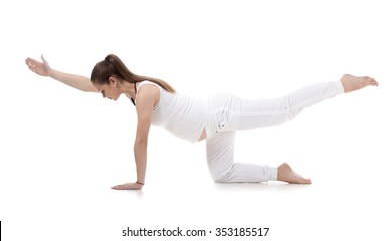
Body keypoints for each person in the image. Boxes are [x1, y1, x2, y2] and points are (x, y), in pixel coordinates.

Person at [25, 54, 379, 190]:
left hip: (220, 115)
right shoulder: (133, 93)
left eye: (104, 91)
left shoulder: (145, 94)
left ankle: (341, 83)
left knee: (284, 109)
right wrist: (51, 72)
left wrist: (139, 180)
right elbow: (86, 85)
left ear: (114, 82)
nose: (101, 96)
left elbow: (141, 141)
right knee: (221, 174)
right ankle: (279, 172)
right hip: (213, 127)